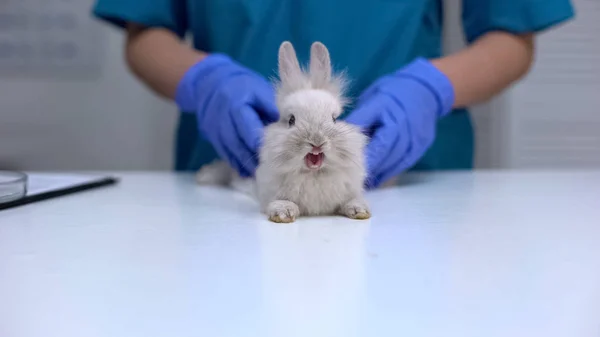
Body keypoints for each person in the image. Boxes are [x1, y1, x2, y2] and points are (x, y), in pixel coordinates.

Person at [92, 0, 574, 188]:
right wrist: (204, 80)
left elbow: (513, 34)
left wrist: (432, 88)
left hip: (413, 182)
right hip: (230, 183)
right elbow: (144, 34)